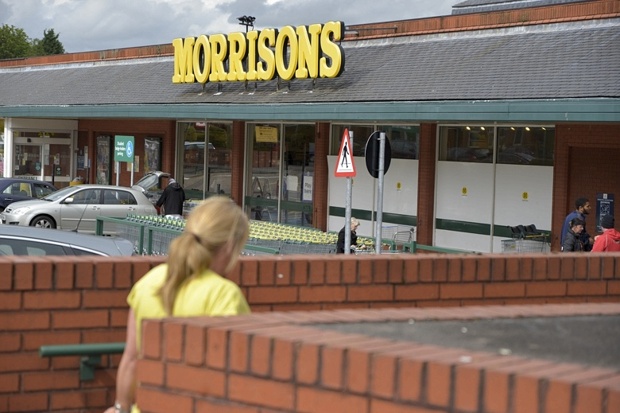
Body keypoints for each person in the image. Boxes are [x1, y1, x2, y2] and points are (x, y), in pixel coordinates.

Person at [104, 196, 251, 413]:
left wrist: (120, 407)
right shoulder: (224, 295)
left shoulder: (149, 282)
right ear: (229, 247)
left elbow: (132, 358)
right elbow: (237, 379)